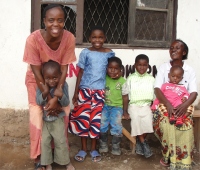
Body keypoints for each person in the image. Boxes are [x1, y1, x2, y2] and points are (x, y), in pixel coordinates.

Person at [23, 4, 76, 170]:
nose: (56, 24)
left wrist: (57, 94)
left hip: (57, 79)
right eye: (51, 20)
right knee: (38, 115)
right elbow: (35, 68)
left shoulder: (69, 38)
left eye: (60, 20)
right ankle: (39, 157)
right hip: (36, 80)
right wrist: (48, 97)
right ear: (44, 21)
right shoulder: (33, 39)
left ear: (64, 22)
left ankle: (59, 154)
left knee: (63, 111)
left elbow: (65, 66)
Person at [68, 26, 115, 162]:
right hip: (85, 90)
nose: (97, 40)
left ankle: (94, 149)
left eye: (100, 37)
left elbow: (111, 73)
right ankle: (83, 148)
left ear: (105, 38)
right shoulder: (85, 53)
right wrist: (76, 92)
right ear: (89, 38)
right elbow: (80, 72)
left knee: (95, 121)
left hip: (100, 92)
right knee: (83, 120)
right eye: (94, 37)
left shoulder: (109, 54)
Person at [153, 39, 197, 169]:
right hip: (165, 103)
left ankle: (184, 159)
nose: (173, 50)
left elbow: (194, 93)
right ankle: (168, 156)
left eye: (177, 48)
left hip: (184, 103)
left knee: (186, 124)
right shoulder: (164, 68)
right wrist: (168, 104)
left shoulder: (189, 70)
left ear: (184, 52)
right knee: (167, 122)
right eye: (171, 48)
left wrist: (184, 106)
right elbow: (157, 89)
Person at [36, 61, 74, 170]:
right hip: (46, 120)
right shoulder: (41, 86)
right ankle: (47, 163)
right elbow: (38, 101)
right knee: (45, 142)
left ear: (60, 76)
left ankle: (66, 162)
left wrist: (61, 95)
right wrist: (44, 92)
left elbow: (66, 103)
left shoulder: (63, 85)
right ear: (43, 77)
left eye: (55, 78)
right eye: (47, 78)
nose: (51, 81)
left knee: (60, 141)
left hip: (58, 120)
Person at [122, 54, 155, 158]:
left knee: (148, 121)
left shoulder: (151, 79)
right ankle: (143, 143)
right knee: (135, 120)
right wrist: (125, 111)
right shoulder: (130, 78)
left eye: (145, 65)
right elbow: (126, 96)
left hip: (146, 105)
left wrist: (153, 107)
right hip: (134, 105)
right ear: (135, 65)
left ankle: (140, 143)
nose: (142, 67)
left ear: (148, 66)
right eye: (139, 65)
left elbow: (155, 96)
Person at [99, 57, 128, 156]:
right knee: (102, 123)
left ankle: (116, 145)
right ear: (106, 68)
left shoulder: (123, 82)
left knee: (116, 124)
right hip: (105, 106)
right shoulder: (104, 78)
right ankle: (103, 144)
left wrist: (125, 111)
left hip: (117, 107)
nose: (112, 70)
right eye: (110, 67)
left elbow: (125, 97)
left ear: (120, 70)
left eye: (116, 68)